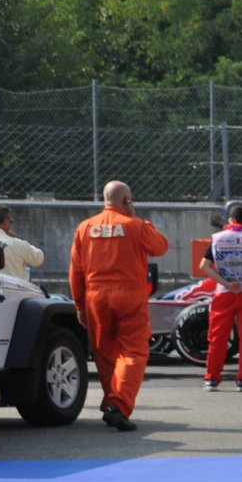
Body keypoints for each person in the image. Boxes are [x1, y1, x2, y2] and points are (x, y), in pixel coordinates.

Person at [68, 180, 170, 431]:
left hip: (95, 297)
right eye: (130, 200)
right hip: (129, 296)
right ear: (126, 201)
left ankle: (111, 401)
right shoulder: (135, 226)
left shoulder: (84, 228)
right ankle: (118, 405)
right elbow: (161, 246)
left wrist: (79, 304)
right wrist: (139, 220)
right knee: (133, 352)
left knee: (105, 353)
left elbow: (75, 271)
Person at [194, 205, 242, 392]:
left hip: (225, 293)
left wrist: (226, 282)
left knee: (218, 336)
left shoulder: (217, 239)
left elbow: (204, 265)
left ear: (231, 220)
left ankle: (211, 379)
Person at [0, 206, 44, 283]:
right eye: (11, 221)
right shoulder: (16, 243)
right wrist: (20, 238)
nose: (11, 224)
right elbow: (38, 259)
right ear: (5, 221)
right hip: (13, 291)